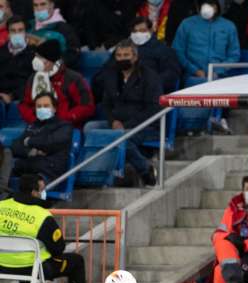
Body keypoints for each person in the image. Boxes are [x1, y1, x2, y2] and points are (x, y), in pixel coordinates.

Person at [86, 39, 160, 187]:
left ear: (135, 57)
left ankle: (145, 170)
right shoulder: (111, 75)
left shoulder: (149, 76)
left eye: (126, 55)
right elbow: (106, 104)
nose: (122, 58)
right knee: (89, 128)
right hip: (117, 123)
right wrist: (112, 121)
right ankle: (92, 172)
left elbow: (152, 110)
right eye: (119, 55)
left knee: (120, 137)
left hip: (145, 125)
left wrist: (125, 125)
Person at [0, 174, 86, 283]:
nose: (44, 193)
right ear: (34, 193)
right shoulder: (42, 216)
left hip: (2, 265)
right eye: (42, 190)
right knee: (77, 261)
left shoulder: (2, 206)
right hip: (32, 268)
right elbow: (58, 248)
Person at [172, 0, 240, 134]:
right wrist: (194, 70)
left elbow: (234, 54)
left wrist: (218, 70)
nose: (207, 7)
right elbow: (177, 51)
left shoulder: (229, 26)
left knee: (218, 85)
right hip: (192, 75)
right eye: (204, 3)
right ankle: (198, 124)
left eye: (212, 3)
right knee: (200, 83)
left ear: (219, 6)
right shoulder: (187, 24)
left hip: (220, 76)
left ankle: (216, 120)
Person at [18, 39, 95, 129]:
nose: (36, 60)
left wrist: (64, 119)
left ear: (50, 60)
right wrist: (34, 120)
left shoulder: (73, 79)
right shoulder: (33, 78)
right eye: (36, 56)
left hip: (66, 127)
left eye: (39, 57)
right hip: (38, 127)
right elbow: (24, 105)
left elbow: (87, 106)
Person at [10, 92, 72, 182]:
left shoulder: (64, 126)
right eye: (39, 106)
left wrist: (28, 141)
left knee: (28, 186)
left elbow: (50, 143)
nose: (42, 109)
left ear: (54, 108)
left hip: (49, 172)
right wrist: (31, 151)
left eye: (46, 106)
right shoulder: (33, 126)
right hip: (28, 168)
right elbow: (15, 146)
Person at [212, 176, 248, 283]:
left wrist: (244, 245)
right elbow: (218, 234)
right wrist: (230, 238)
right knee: (221, 248)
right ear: (243, 192)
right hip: (236, 256)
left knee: (224, 269)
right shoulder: (233, 209)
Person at [28, 0, 80, 69]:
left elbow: (72, 53)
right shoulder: (29, 26)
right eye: (35, 5)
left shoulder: (64, 29)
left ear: (51, 5)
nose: (39, 8)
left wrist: (55, 65)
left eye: (43, 4)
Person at [0, 15, 35, 104]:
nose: (17, 33)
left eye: (20, 30)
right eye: (13, 31)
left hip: (21, 99)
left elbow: (32, 82)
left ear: (25, 32)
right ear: (8, 33)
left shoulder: (34, 53)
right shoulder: (1, 52)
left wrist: (12, 96)